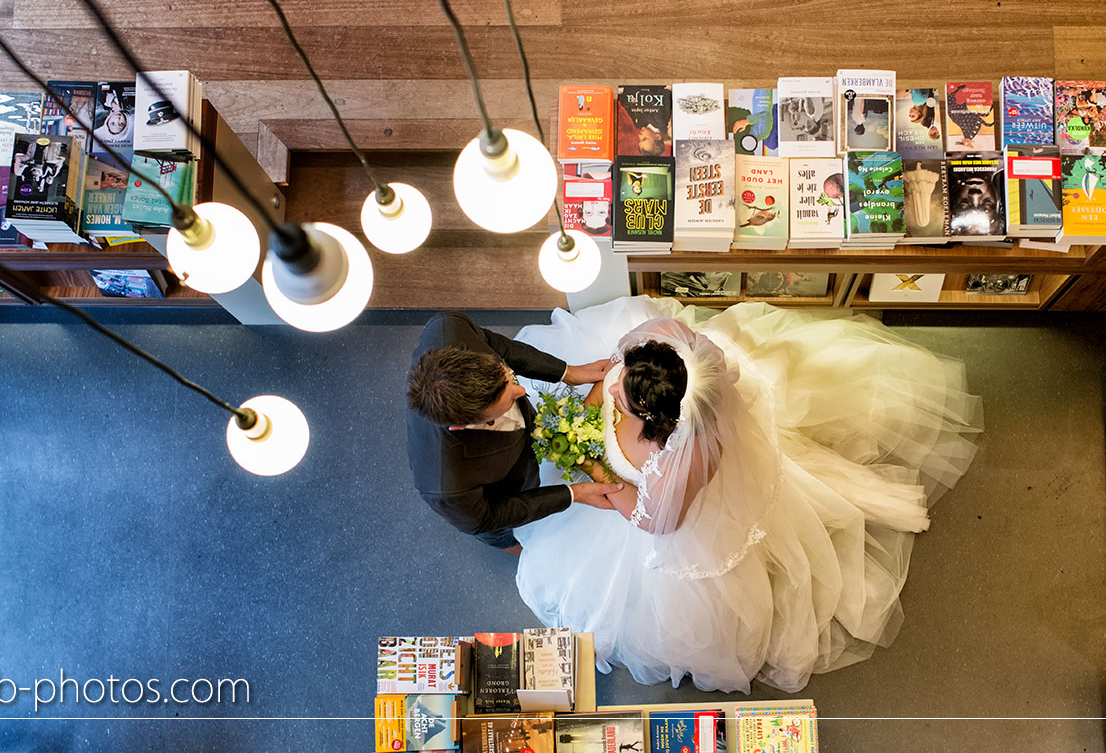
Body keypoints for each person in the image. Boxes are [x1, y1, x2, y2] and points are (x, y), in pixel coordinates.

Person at [512, 296, 982, 693]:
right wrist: (602, 386)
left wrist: (593, 467)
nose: (614, 395)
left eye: (624, 401)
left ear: (659, 420)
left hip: (634, 500)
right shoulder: (668, 348)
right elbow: (621, 355)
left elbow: (656, 521)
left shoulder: (681, 461)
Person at [406, 312, 623, 556]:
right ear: (462, 426)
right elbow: (488, 518)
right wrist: (573, 494)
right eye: (508, 401)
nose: (521, 390)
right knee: (507, 539)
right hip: (496, 501)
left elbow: (495, 345)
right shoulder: (448, 487)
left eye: (507, 377)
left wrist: (568, 372)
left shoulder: (449, 328)